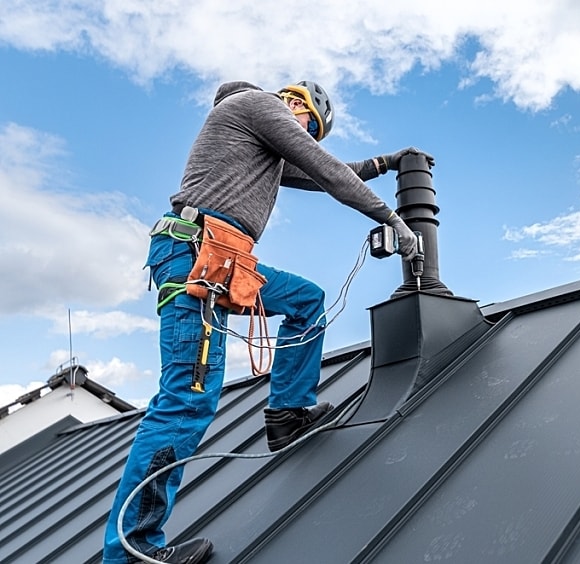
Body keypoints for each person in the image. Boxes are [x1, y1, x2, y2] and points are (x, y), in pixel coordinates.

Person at [103, 80, 430, 564]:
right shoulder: (257, 105)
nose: (306, 137)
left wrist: (389, 161)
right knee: (185, 402)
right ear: (297, 109)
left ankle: (287, 415)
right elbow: (329, 171)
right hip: (195, 257)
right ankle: (130, 550)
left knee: (305, 300)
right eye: (309, 129)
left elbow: (327, 172)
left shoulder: (261, 144)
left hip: (226, 260)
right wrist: (392, 219)